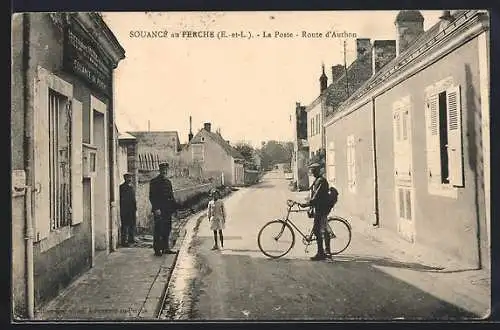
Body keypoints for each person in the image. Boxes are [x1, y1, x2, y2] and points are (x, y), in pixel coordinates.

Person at [300, 163, 331, 261]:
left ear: (317, 171)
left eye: (313, 170)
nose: (312, 172)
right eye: (311, 170)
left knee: (319, 231)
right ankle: (325, 251)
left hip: (322, 209)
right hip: (318, 208)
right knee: (321, 229)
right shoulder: (317, 180)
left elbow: (317, 196)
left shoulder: (321, 181)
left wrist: (307, 204)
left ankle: (322, 253)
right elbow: (313, 194)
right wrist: (308, 202)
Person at [149, 162, 177, 256]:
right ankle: (157, 249)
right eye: (163, 170)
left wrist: (174, 209)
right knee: (158, 229)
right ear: (159, 170)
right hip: (159, 210)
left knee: (167, 229)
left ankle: (165, 248)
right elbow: (152, 197)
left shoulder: (168, 182)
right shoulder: (154, 182)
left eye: (166, 170)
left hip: (167, 210)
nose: (164, 171)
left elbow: (171, 196)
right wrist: (156, 208)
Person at [120, 173, 137, 247]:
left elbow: (133, 199)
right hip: (125, 209)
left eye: (130, 178)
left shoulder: (132, 187)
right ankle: (124, 241)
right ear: (124, 178)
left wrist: (135, 208)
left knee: (132, 224)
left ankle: (131, 239)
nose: (129, 179)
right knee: (125, 225)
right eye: (127, 178)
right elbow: (122, 199)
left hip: (132, 209)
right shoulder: (122, 187)